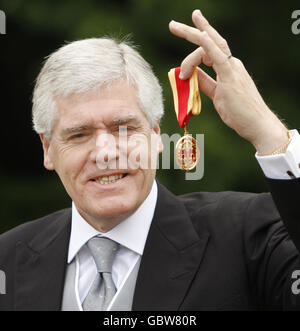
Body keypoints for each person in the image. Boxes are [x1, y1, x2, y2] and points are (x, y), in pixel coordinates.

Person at [0, 9, 300, 311]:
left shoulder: (248, 235)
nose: (105, 153)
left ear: (156, 134)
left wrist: (269, 133)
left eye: (125, 129)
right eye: (79, 135)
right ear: (48, 149)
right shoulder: (7, 259)